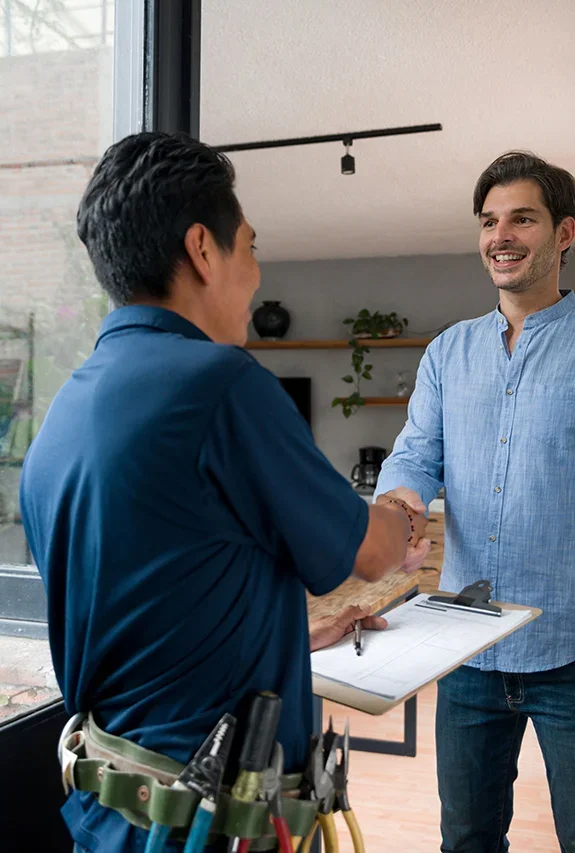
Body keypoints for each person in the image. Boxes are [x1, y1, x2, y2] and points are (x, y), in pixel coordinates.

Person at [19, 132, 429, 853]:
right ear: (203, 250)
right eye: (250, 247)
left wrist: (280, 636)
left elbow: (151, 604)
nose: (256, 273)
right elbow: (366, 553)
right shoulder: (221, 384)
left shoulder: (64, 414)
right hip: (208, 827)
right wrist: (399, 510)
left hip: (109, 817)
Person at [375, 150, 575, 852]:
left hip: (567, 650)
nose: (501, 234)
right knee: (464, 837)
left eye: (522, 217)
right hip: (467, 649)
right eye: (489, 220)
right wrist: (398, 507)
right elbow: (413, 454)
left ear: (564, 234)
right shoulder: (446, 353)